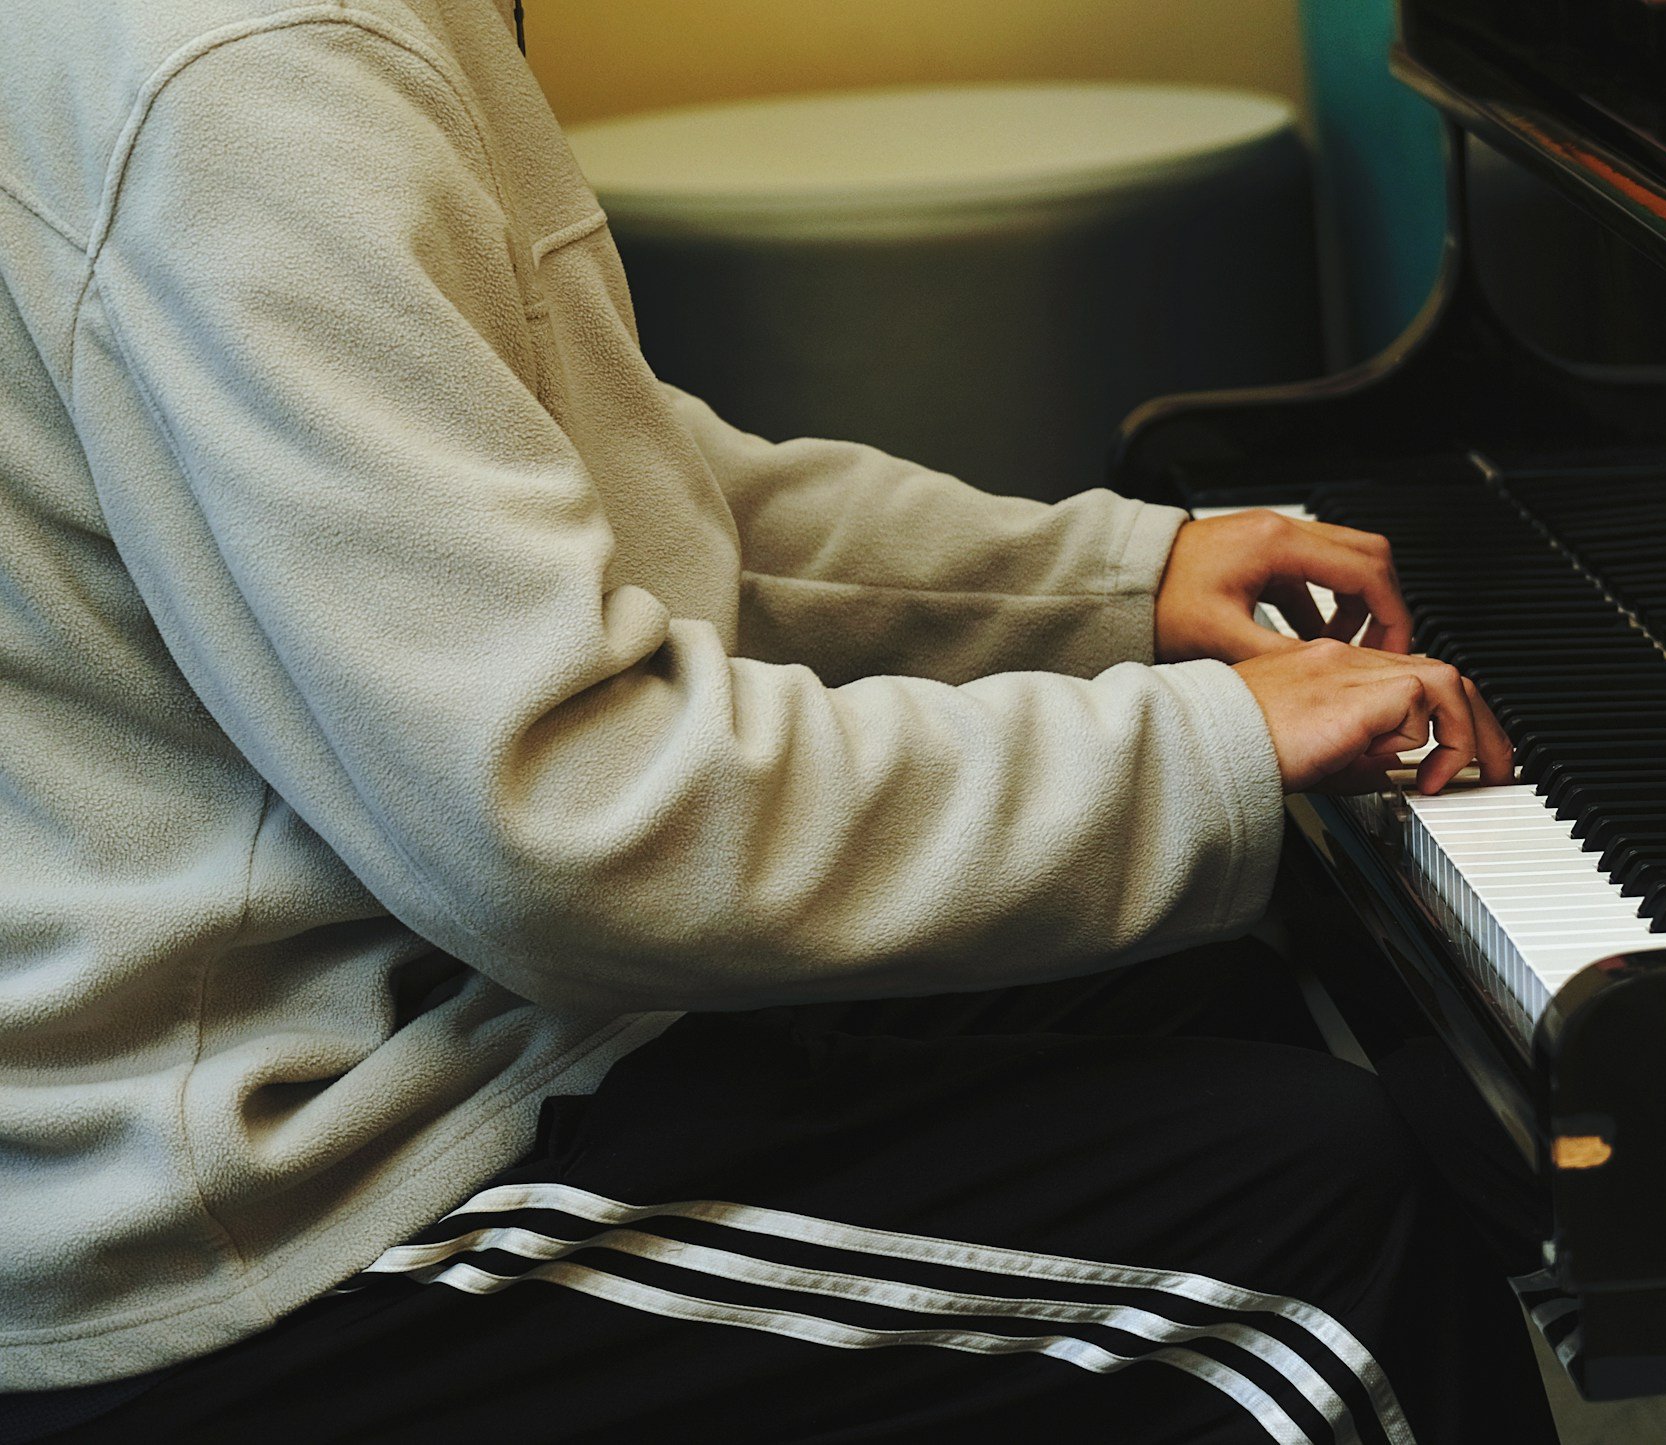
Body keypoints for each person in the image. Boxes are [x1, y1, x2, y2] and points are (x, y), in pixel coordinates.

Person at [0, 1, 1553, 1439]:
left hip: (421, 1002)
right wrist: (1204, 741)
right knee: (1312, 1236)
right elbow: (574, 824)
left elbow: (596, 481)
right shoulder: (247, 75)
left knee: (1192, 983)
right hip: (265, 1188)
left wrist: (1116, 578)